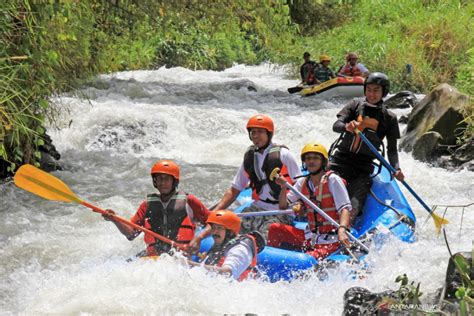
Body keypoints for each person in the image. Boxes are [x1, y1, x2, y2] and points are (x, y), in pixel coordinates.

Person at [329, 72, 405, 222]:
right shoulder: (355, 104)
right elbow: (336, 126)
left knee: (355, 203)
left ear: (384, 92)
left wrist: (396, 168)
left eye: (376, 90)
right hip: (340, 161)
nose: (372, 94)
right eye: (369, 89)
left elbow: (391, 149)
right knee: (326, 190)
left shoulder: (389, 118)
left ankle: (346, 227)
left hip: (362, 167)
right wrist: (346, 126)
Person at [213, 114, 301, 237]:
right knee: (232, 232)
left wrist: (288, 201)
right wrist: (216, 211)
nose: (255, 136)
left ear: (269, 134)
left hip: (282, 210)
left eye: (260, 132)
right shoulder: (250, 156)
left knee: (265, 234)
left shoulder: (284, 154)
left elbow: (300, 184)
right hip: (258, 207)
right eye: (253, 132)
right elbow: (235, 189)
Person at [103, 160, 211, 256]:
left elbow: (214, 223)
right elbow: (131, 234)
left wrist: (199, 238)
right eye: (159, 179)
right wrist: (114, 219)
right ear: (155, 181)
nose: (162, 183)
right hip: (154, 258)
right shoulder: (147, 205)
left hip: (180, 256)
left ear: (174, 181)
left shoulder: (189, 201)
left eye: (167, 179)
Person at [267, 143, 352, 260]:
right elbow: (283, 206)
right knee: (274, 229)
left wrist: (342, 230)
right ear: (304, 162)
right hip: (310, 236)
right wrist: (283, 187)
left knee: (305, 260)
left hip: (332, 239)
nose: (311, 161)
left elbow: (345, 209)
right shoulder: (302, 182)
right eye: (308, 158)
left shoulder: (333, 180)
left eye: (316, 158)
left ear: (323, 162)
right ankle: (271, 261)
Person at [187, 210, 264, 281]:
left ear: (230, 232)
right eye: (213, 228)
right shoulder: (221, 243)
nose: (215, 232)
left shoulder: (240, 248)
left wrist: (190, 264)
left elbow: (227, 273)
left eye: (219, 228)